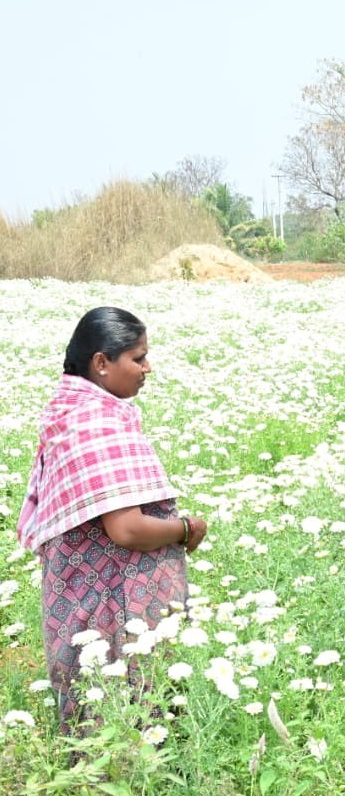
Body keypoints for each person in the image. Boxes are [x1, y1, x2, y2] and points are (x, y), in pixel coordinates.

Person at [17, 307, 207, 733]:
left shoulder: (72, 412)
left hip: (85, 599)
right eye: (138, 358)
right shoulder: (96, 421)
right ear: (101, 363)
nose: (148, 368)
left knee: (97, 725)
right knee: (128, 718)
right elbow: (128, 529)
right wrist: (187, 528)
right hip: (111, 607)